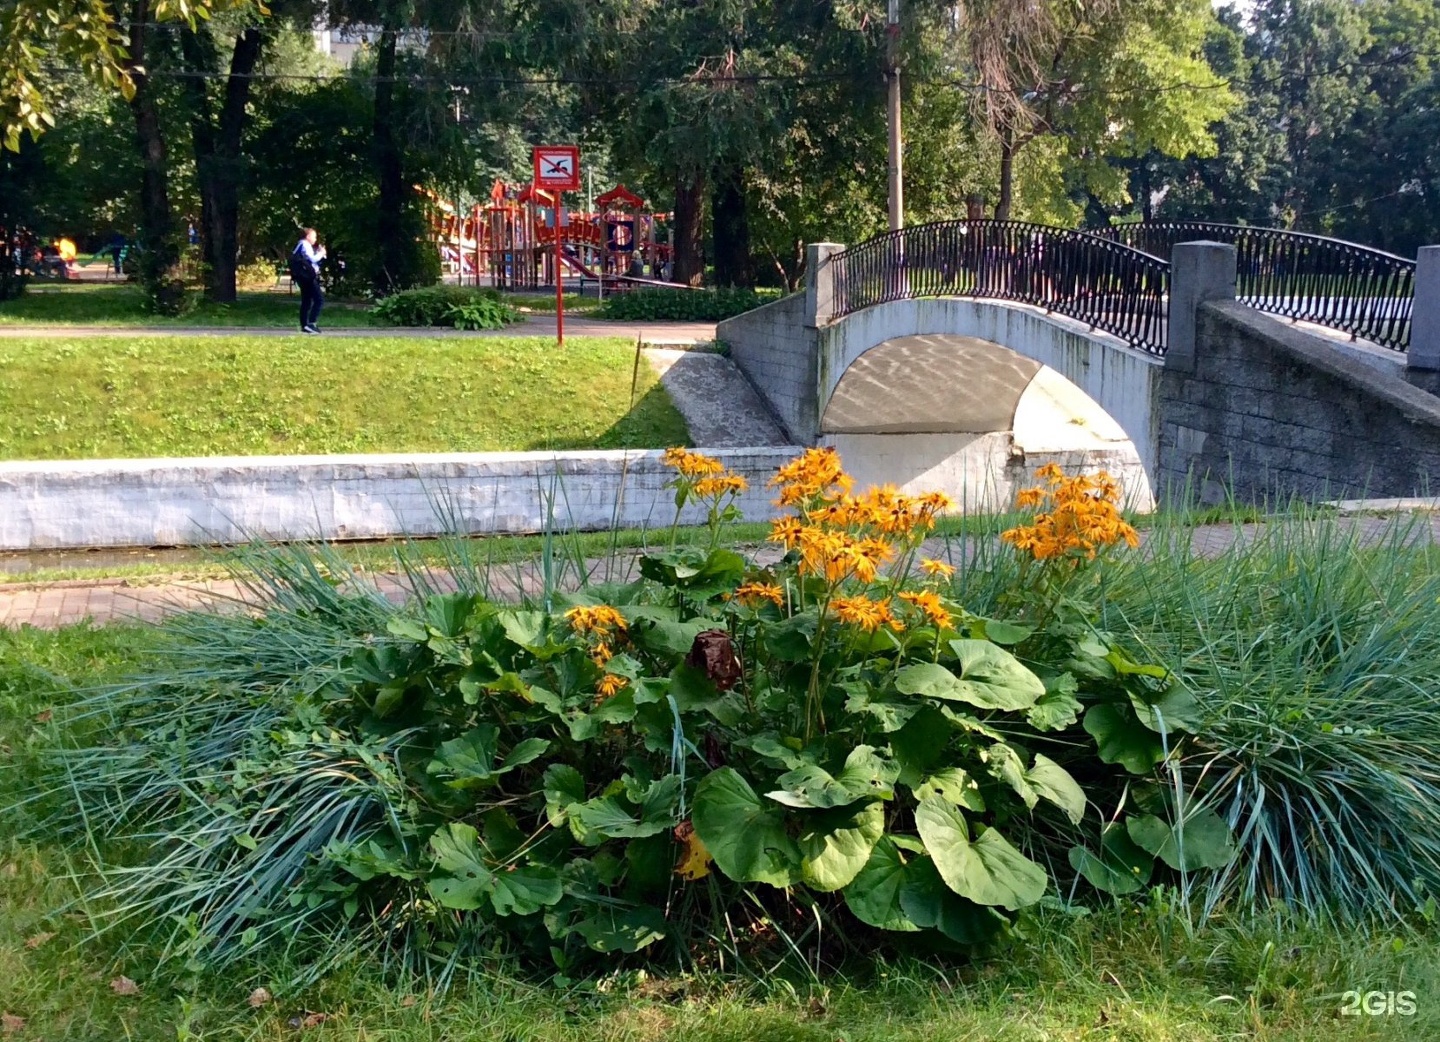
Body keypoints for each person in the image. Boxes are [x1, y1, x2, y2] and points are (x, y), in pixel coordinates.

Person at [290, 228, 326, 333]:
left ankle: (304, 325)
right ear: (308, 236)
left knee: (306, 301)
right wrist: (321, 253)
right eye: (314, 236)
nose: (315, 239)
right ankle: (311, 323)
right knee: (319, 299)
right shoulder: (305, 244)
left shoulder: (299, 245)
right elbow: (313, 259)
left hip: (302, 277)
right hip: (308, 277)